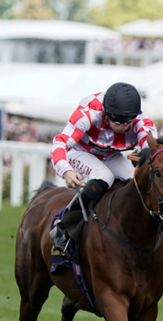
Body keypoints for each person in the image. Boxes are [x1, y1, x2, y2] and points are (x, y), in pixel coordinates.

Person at [50, 82, 157, 251]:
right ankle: (65, 227)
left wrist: (146, 155)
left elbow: (152, 148)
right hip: (79, 152)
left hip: (109, 155)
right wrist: (66, 171)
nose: (123, 126)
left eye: (127, 121)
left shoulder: (140, 121)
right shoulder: (88, 114)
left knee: (134, 180)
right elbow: (60, 143)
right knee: (104, 176)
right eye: (117, 120)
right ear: (106, 113)